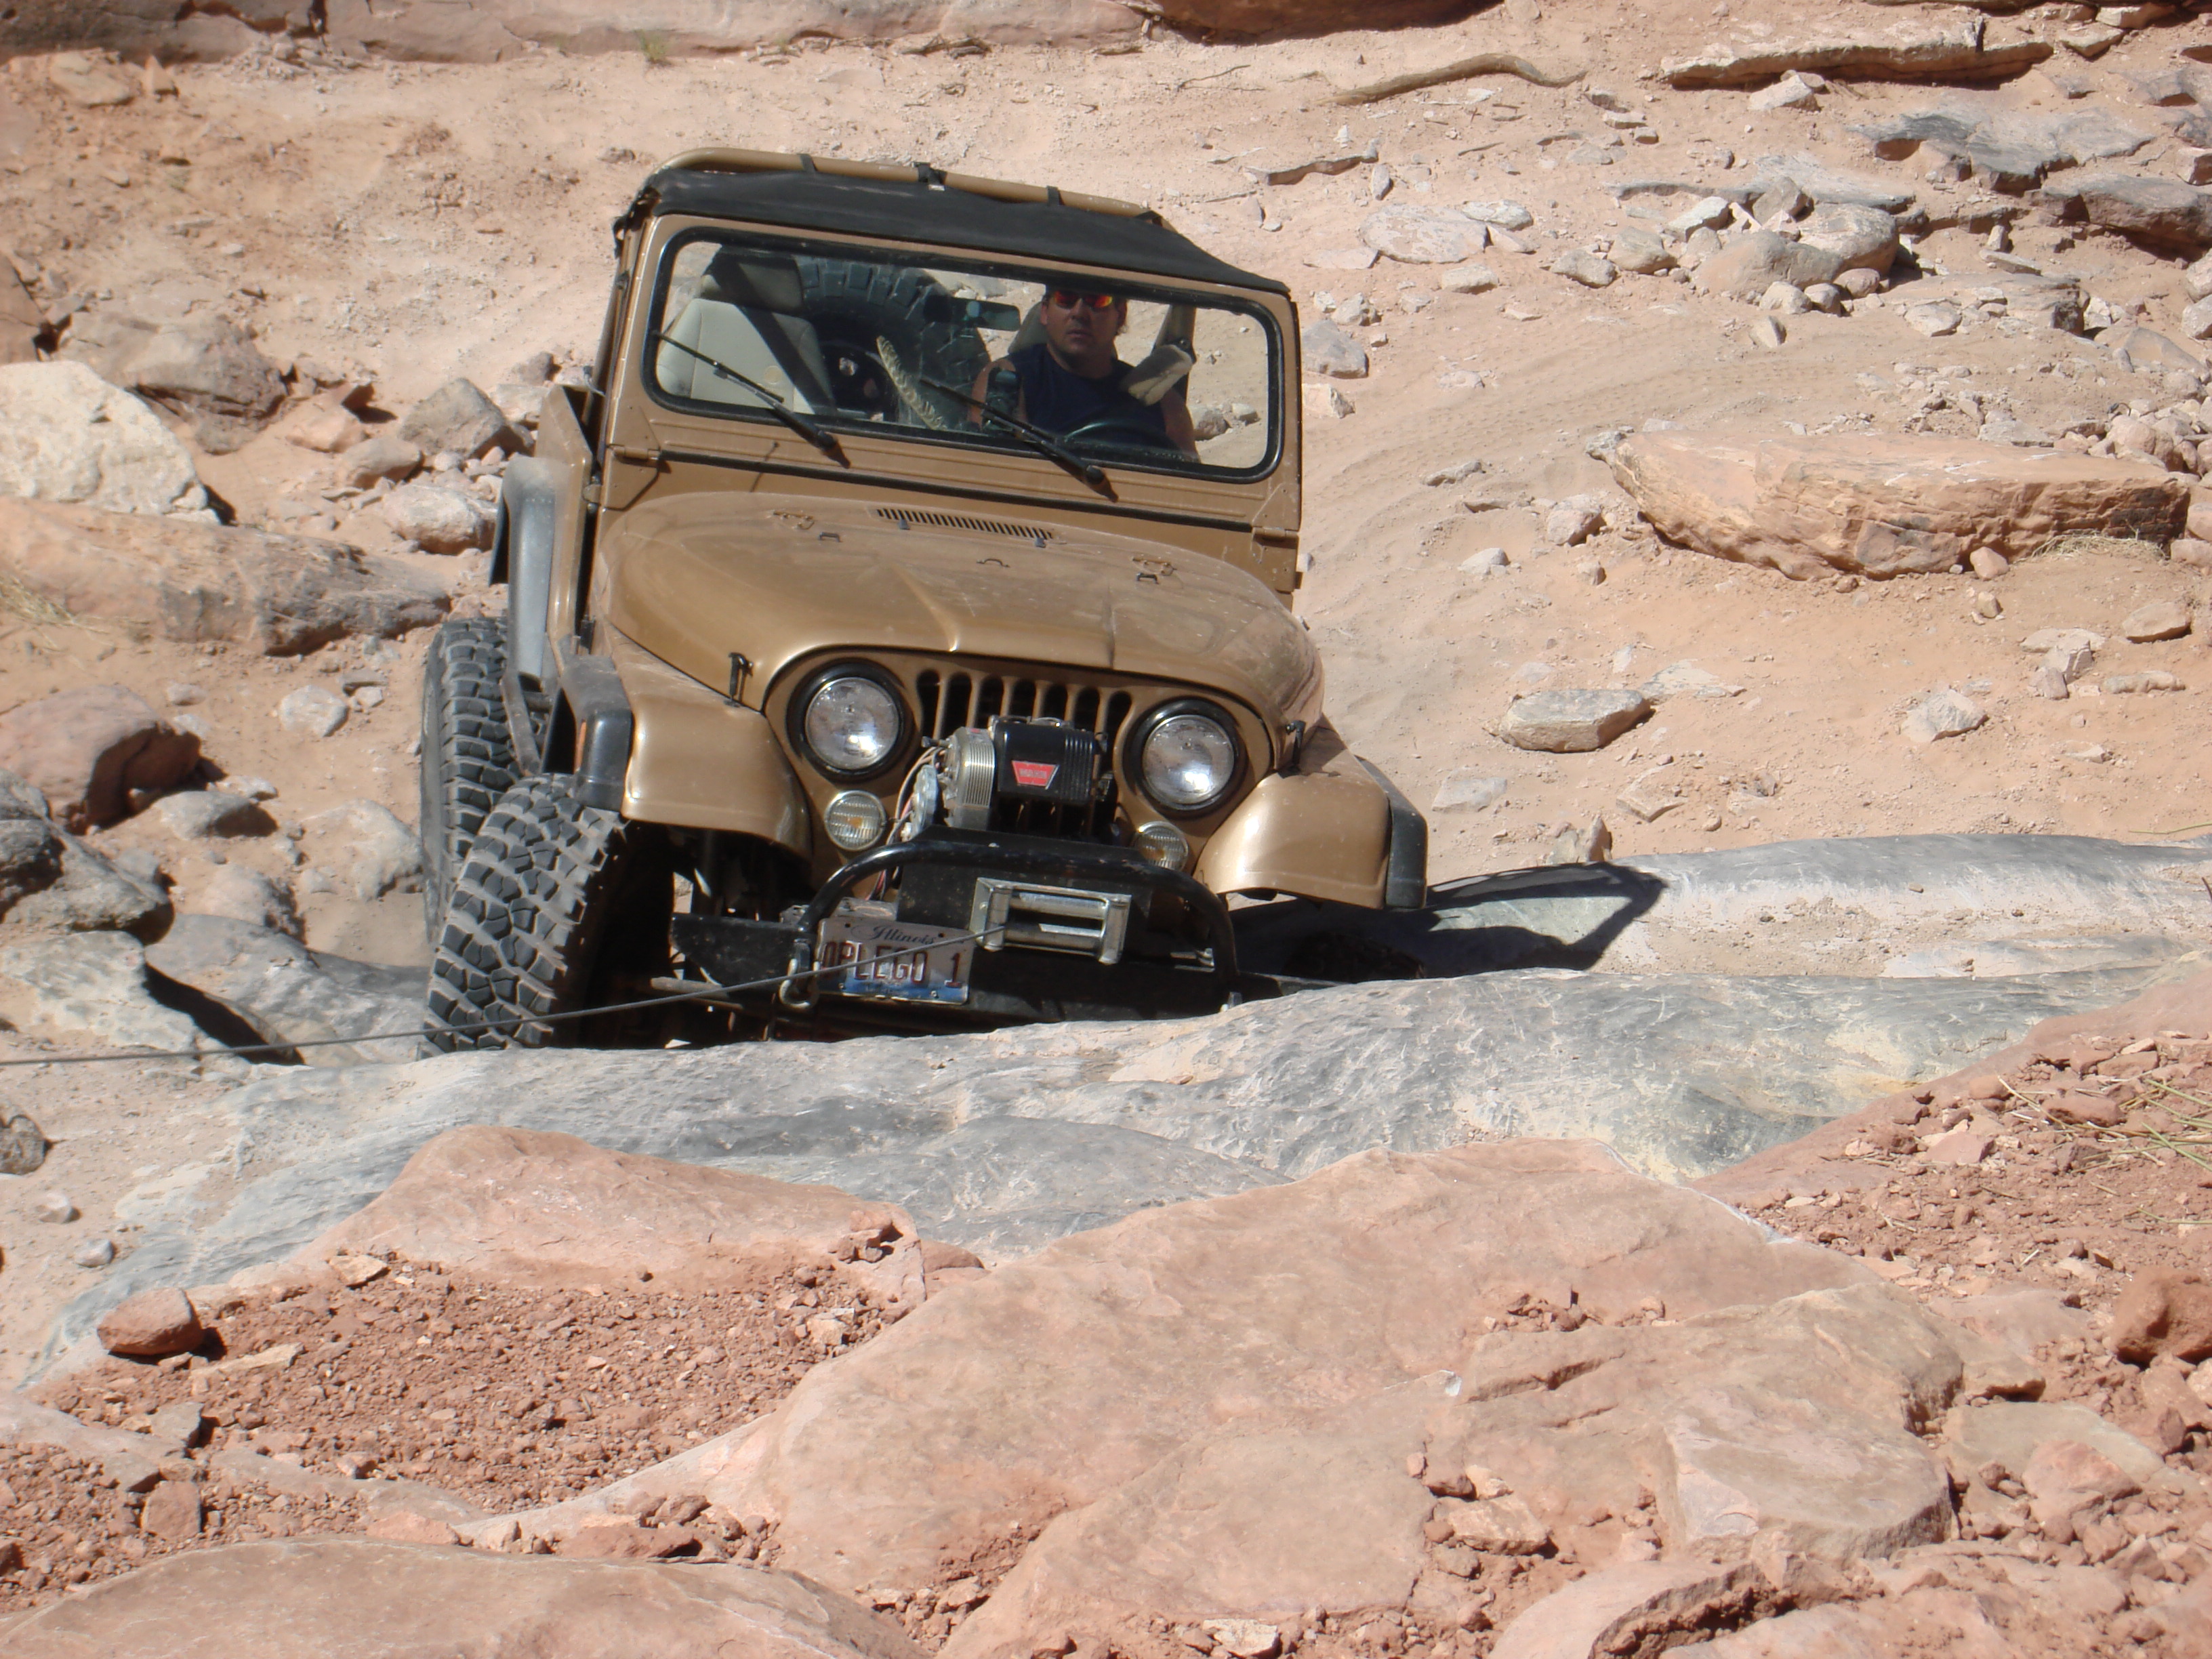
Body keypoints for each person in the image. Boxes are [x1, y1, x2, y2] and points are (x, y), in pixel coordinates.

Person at [970, 287, 1197, 456]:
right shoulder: (1008, 381)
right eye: (1066, 298)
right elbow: (995, 468)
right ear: (1045, 311)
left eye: (1096, 300)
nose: (1079, 313)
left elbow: (1190, 487)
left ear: (1120, 315)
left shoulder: (1162, 403)